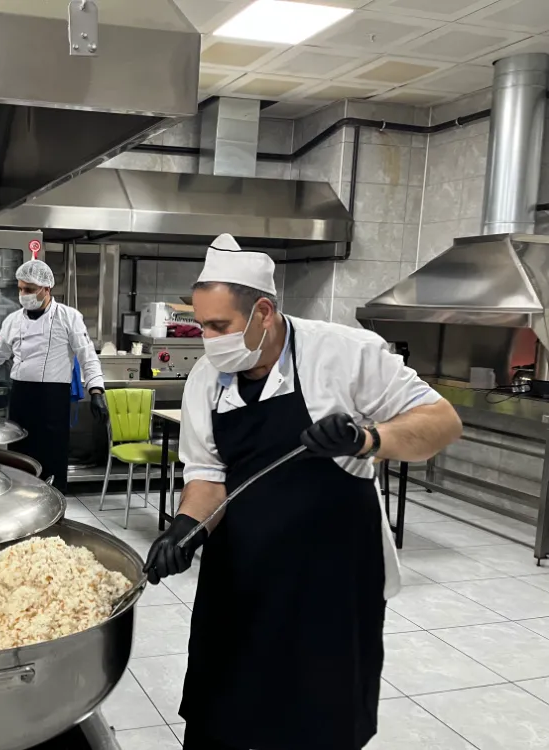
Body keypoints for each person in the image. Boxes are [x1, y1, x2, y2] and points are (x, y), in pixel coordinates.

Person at [144, 234, 462, 750]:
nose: (207, 339)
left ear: (263, 312)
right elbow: (207, 475)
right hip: (241, 572)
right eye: (201, 325)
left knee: (319, 719)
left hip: (333, 577)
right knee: (221, 711)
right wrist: (186, 526)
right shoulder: (207, 377)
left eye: (218, 326)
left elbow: (442, 421)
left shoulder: (346, 353)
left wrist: (367, 439)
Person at [0, 259, 108, 491]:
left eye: (30, 290)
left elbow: (87, 355)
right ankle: (21, 500)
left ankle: (54, 500)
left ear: (46, 288)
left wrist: (96, 391)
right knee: (20, 455)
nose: (23, 295)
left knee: (52, 455)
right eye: (21, 289)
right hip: (21, 396)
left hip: (53, 398)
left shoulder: (68, 317)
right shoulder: (13, 320)